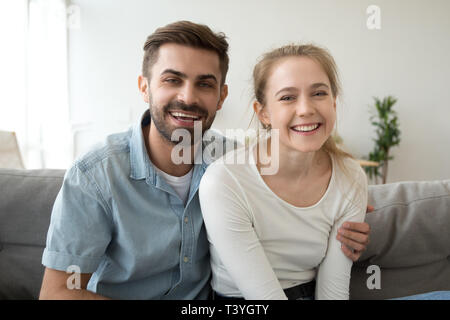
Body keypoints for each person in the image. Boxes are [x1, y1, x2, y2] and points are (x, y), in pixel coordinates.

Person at [39, 21, 370, 300]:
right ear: (144, 87)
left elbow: (291, 177)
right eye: (172, 80)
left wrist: (345, 209)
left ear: (221, 96)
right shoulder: (96, 176)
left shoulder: (234, 163)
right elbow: (57, 293)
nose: (188, 96)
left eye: (204, 84)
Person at [199, 44, 368, 300]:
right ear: (263, 112)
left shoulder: (351, 177)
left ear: (333, 103)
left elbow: (333, 291)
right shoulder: (225, 180)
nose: (306, 109)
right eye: (287, 97)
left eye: (319, 93)